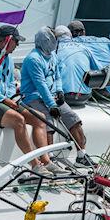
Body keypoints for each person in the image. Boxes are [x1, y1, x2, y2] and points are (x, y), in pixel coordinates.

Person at [0, 25, 61, 178]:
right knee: (18, 120)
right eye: (16, 42)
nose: (17, 45)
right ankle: (35, 165)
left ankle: (47, 161)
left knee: (40, 119)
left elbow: (10, 83)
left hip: (3, 100)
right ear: (7, 41)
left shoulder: (7, 57)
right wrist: (4, 99)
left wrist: (9, 97)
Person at [20, 27, 92, 166]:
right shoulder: (33, 59)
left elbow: (57, 75)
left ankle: (81, 155)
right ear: (46, 41)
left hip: (52, 95)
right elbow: (40, 84)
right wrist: (51, 105)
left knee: (73, 118)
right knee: (47, 119)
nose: (56, 41)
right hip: (33, 96)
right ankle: (49, 157)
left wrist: (59, 91)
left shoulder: (53, 55)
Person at [68, 20, 110, 101]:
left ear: (70, 34)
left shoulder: (70, 44)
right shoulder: (104, 40)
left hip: (96, 85)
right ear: (84, 31)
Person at [54, 25, 95, 106]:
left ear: (55, 38)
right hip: (85, 97)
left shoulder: (55, 51)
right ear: (70, 35)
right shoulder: (84, 48)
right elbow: (99, 70)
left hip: (64, 98)